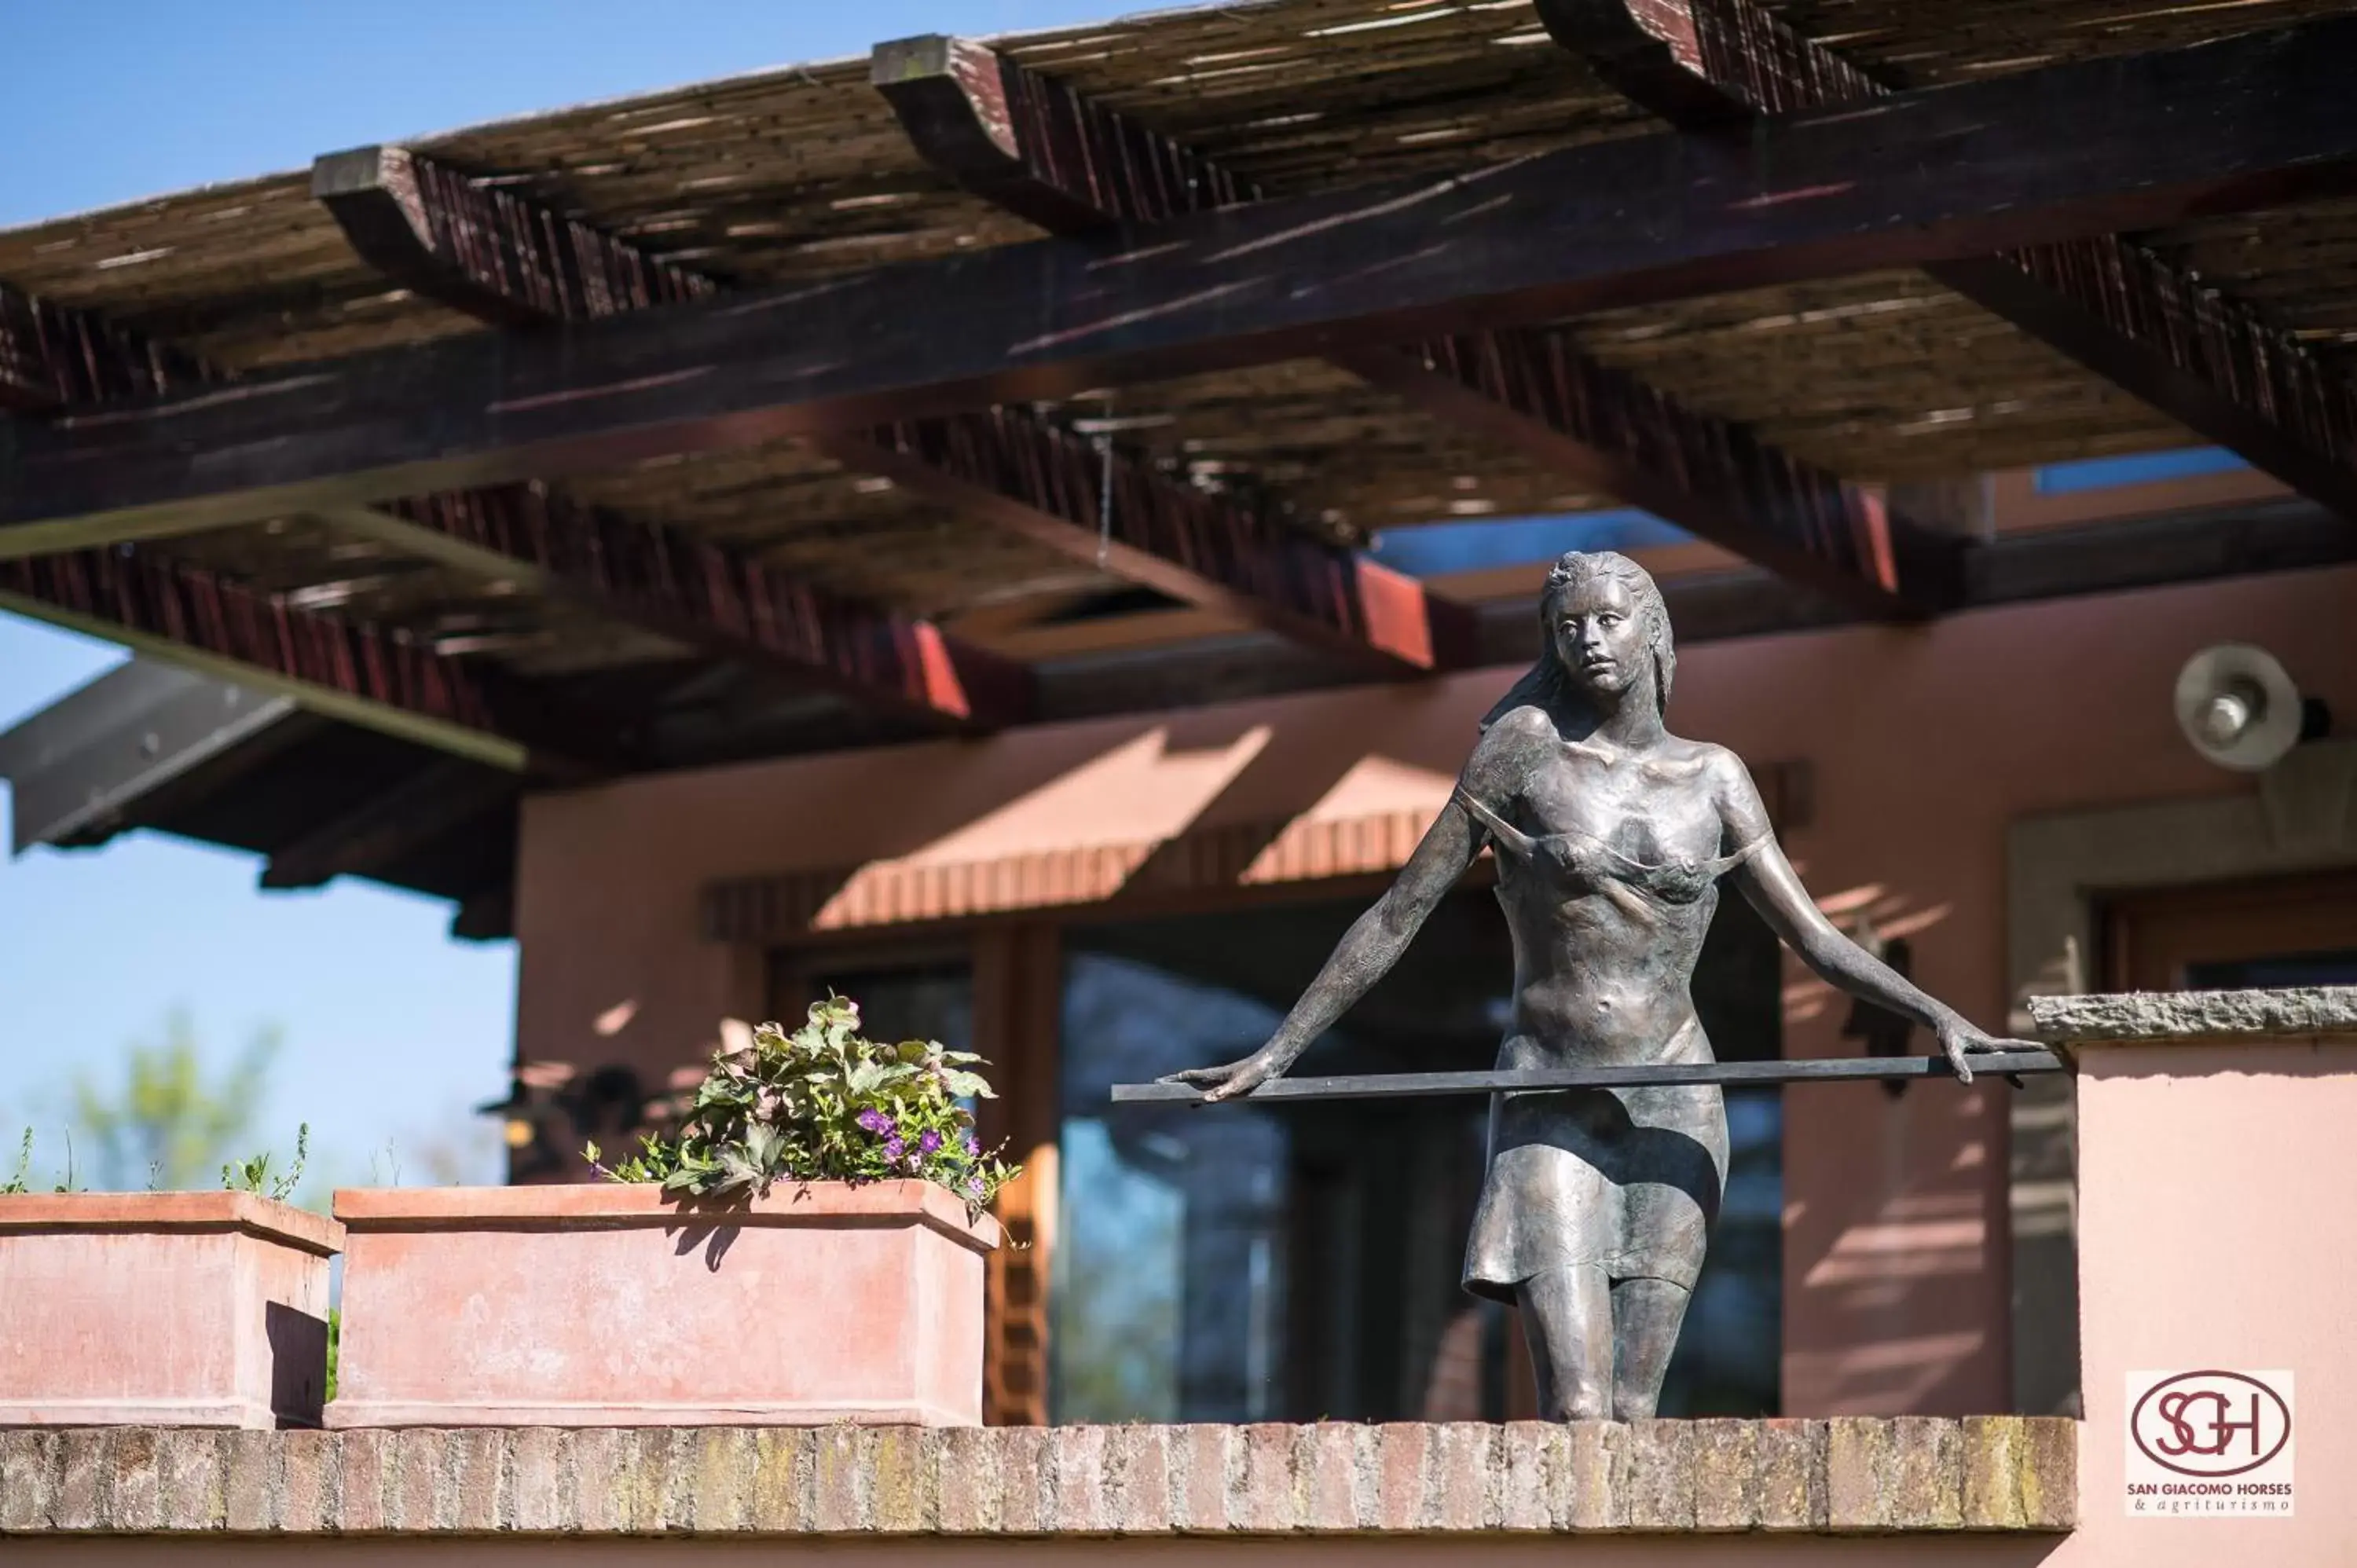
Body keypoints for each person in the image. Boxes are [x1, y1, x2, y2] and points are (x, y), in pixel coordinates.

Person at [1160, 550, 2029, 1420]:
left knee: (1634, 1410)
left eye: (1608, 619)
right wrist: (1279, 1049)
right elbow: (1398, 915)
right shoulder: (1525, 752)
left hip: (1677, 1096)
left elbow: (1813, 936)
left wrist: (1938, 1016)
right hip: (1551, 1092)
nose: (1588, 640)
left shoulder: (1716, 776)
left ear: (1652, 630)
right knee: (1578, 1409)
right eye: (1567, 625)